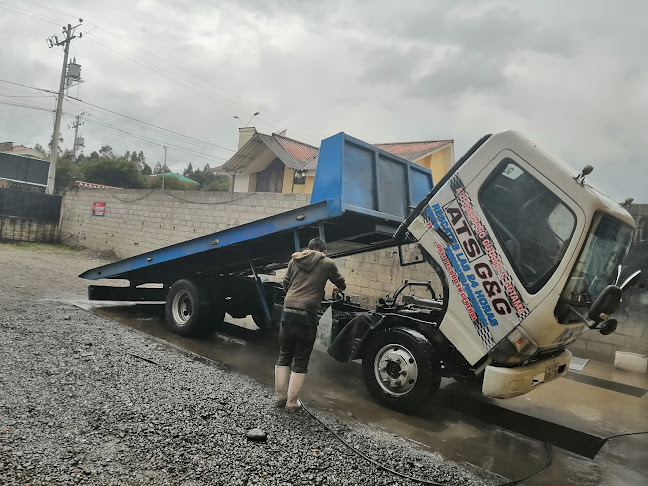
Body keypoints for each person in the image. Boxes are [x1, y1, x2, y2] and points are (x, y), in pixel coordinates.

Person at [274, 237, 346, 412]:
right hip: (306, 315)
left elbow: (285, 285)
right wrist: (337, 289)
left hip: (288, 311)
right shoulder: (327, 263)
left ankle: (280, 398)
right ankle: (292, 403)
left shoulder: (295, 260)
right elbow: (341, 283)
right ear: (324, 251)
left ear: (308, 248)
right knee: (301, 359)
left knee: (284, 355)